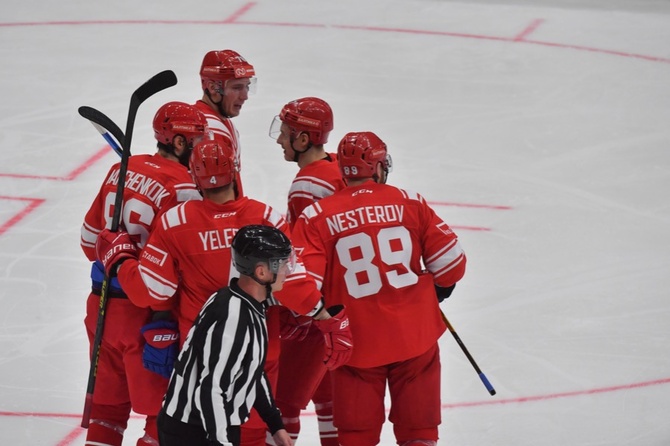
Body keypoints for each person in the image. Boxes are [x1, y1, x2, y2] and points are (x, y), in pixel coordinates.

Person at [94, 139, 353, 446]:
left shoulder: (176, 221)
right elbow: (293, 284)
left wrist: (121, 259)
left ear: (194, 175)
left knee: (193, 427)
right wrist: (324, 317)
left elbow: (151, 291)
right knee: (252, 434)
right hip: (258, 349)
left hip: (200, 354)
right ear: (235, 171)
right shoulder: (265, 218)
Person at [291, 131, 467, 446]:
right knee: (419, 432)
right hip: (415, 337)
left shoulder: (316, 216)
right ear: (377, 166)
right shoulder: (410, 201)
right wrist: (438, 290)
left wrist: (324, 317)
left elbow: (299, 286)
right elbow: (451, 264)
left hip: (355, 344)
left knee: (357, 436)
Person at [79, 101, 208, 446]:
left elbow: (89, 241)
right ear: (179, 142)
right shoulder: (185, 188)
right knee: (164, 417)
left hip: (102, 307)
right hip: (151, 318)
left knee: (107, 411)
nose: (203, 147)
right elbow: (185, 266)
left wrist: (117, 255)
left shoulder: (119, 170)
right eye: (198, 139)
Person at [155, 225, 295, 446]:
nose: (287, 270)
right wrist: (221, 442)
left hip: (211, 424)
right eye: (282, 263)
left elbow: (251, 369)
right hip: (192, 431)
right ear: (261, 272)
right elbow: (211, 389)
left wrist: (275, 424)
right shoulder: (233, 318)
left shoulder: (245, 302)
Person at [268, 97, 345, 445]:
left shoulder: (307, 186)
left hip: (319, 309)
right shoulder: (339, 166)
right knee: (329, 397)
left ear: (302, 139)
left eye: (285, 133)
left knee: (283, 403)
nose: (280, 139)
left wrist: (300, 311)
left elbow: (305, 257)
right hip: (346, 302)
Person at [194, 49, 256, 198]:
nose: (245, 96)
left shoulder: (222, 121)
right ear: (212, 88)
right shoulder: (210, 130)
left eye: (247, 86)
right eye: (237, 87)